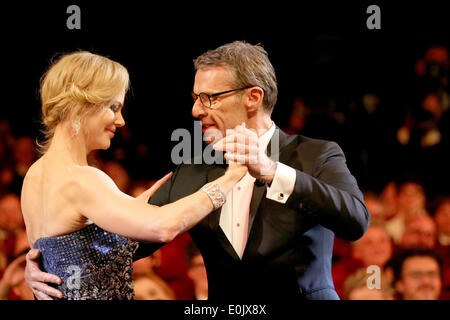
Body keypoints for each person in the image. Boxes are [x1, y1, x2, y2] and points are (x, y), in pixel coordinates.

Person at [26, 41, 369, 300]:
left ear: (252, 97)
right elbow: (125, 242)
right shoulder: (192, 170)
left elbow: (355, 220)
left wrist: (269, 170)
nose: (195, 110)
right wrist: (40, 265)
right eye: (195, 98)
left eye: (209, 98)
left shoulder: (317, 154)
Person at [20, 51, 247, 300]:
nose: (120, 121)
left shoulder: (34, 175)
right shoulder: (82, 180)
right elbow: (164, 227)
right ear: (80, 107)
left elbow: (60, 255)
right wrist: (230, 178)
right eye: (113, 107)